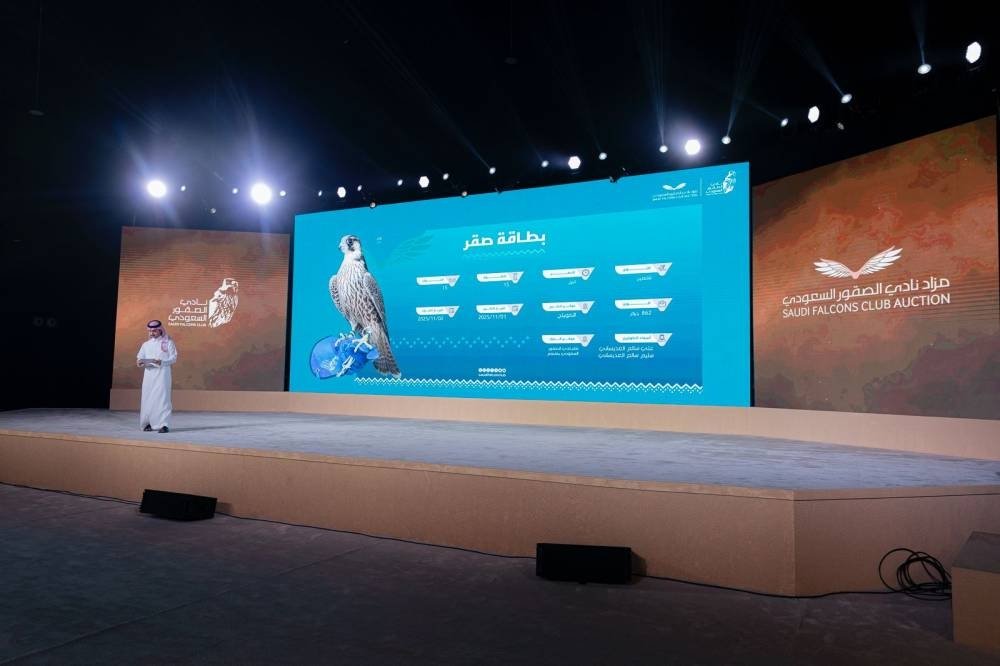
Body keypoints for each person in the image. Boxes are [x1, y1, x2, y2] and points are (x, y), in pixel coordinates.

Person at [136, 320, 178, 433]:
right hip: (149, 375)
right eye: (150, 331)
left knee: (162, 399)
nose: (152, 333)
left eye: (154, 331)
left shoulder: (168, 343)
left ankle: (164, 425)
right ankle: (147, 423)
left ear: (160, 330)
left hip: (162, 375)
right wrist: (140, 362)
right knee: (147, 398)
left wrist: (162, 362)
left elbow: (174, 358)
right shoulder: (146, 344)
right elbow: (139, 358)